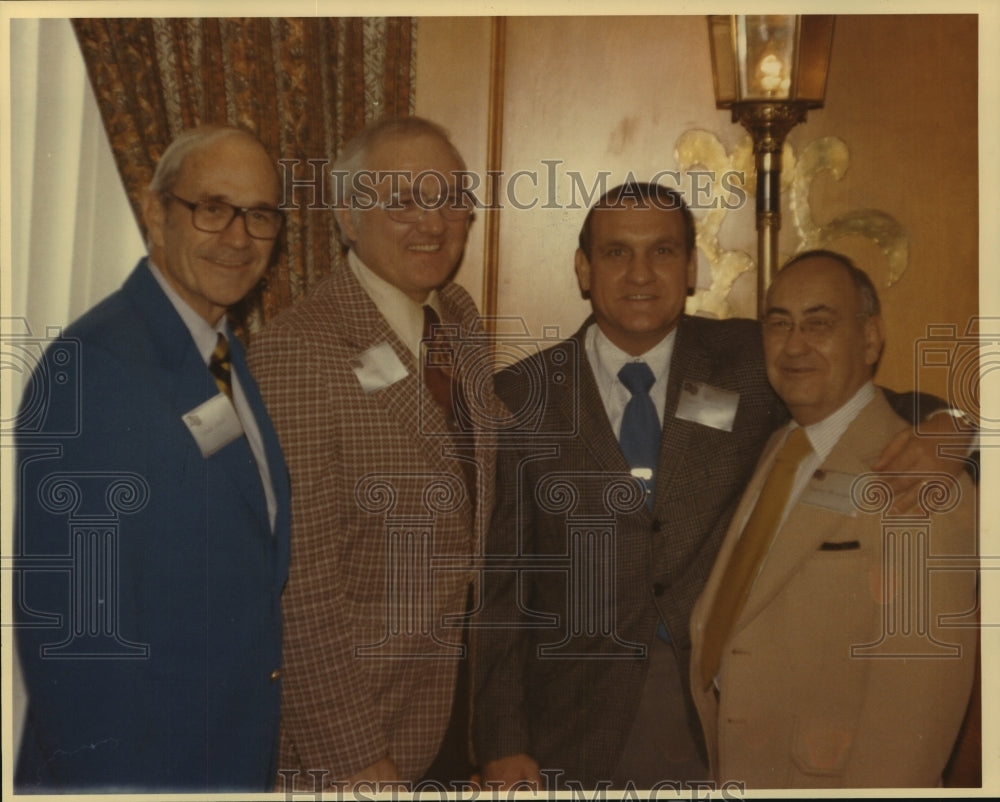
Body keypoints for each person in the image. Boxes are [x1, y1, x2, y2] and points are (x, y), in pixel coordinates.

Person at [471, 182, 967, 790]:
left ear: (690, 267)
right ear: (583, 267)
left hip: (715, 716)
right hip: (570, 723)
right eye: (616, 253)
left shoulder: (749, 355)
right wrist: (502, 741)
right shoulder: (521, 395)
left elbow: (855, 396)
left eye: (661, 252)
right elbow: (500, 586)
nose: (640, 274)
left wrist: (954, 427)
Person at [13, 125, 291, 792]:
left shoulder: (221, 353)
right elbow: (76, 636)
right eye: (213, 208)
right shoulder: (95, 366)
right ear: (155, 213)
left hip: (222, 759)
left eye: (260, 216)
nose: (238, 237)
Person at [249, 116, 498, 790]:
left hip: (452, 729)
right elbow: (297, 591)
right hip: (354, 747)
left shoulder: (460, 325)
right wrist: (354, 759)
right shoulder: (296, 353)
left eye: (450, 199)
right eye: (402, 202)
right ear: (346, 217)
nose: (433, 223)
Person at [688, 251, 977, 787]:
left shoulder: (922, 480)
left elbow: (911, 727)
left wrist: (959, 424)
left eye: (819, 324)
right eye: (779, 324)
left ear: (870, 339)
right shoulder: (777, 445)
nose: (794, 345)